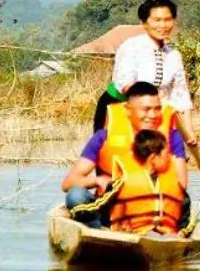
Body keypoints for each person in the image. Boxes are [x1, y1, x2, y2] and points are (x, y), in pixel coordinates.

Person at [62, 83, 190, 226]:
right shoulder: (104, 136)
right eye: (146, 110)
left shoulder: (172, 136)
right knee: (75, 196)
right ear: (128, 110)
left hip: (154, 208)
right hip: (111, 206)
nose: (153, 115)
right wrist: (98, 181)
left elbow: (181, 184)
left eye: (157, 109)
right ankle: (101, 232)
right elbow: (68, 183)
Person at [98, 0, 195, 140]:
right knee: (116, 159)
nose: (162, 26)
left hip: (153, 112)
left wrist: (189, 134)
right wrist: (158, 101)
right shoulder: (131, 47)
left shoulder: (174, 55)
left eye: (167, 20)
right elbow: (126, 85)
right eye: (156, 20)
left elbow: (181, 96)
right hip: (119, 108)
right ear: (144, 23)